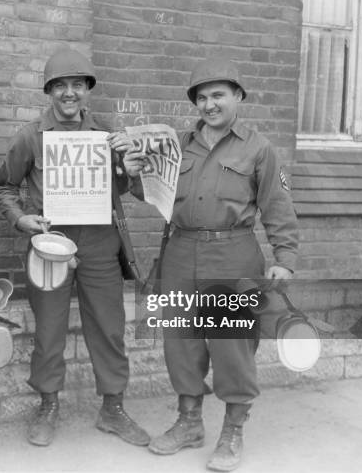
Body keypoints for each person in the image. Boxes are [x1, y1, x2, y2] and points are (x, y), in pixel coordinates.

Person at [123, 56, 298, 471]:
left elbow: (278, 206)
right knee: (180, 343)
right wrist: (130, 176)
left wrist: (285, 259)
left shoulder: (259, 149)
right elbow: (151, 191)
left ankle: (233, 430)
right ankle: (188, 423)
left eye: (218, 95)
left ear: (237, 96)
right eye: (201, 97)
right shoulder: (176, 146)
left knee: (232, 346)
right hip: (181, 252)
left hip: (233, 254)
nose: (209, 104)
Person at [0, 48, 149, 448]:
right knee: (49, 330)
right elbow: (4, 186)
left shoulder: (106, 136)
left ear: (87, 91)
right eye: (60, 85)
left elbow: (124, 188)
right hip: (50, 243)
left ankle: (113, 407)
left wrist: (128, 172)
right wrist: (21, 219)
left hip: (99, 242)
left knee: (110, 327)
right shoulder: (31, 136)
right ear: (49, 91)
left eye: (77, 85)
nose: (69, 93)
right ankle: (47, 404)